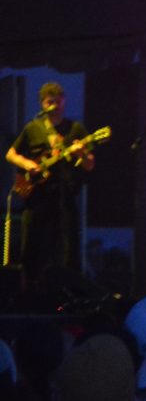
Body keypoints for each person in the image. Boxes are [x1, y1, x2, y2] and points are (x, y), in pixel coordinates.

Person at [5, 81, 97, 285]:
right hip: (36, 197)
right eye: (50, 102)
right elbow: (10, 154)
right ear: (42, 105)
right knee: (32, 244)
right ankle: (28, 288)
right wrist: (28, 165)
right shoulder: (33, 127)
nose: (55, 105)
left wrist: (81, 153)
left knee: (67, 246)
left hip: (65, 195)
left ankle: (68, 292)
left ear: (64, 102)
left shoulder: (75, 129)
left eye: (58, 101)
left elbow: (90, 164)